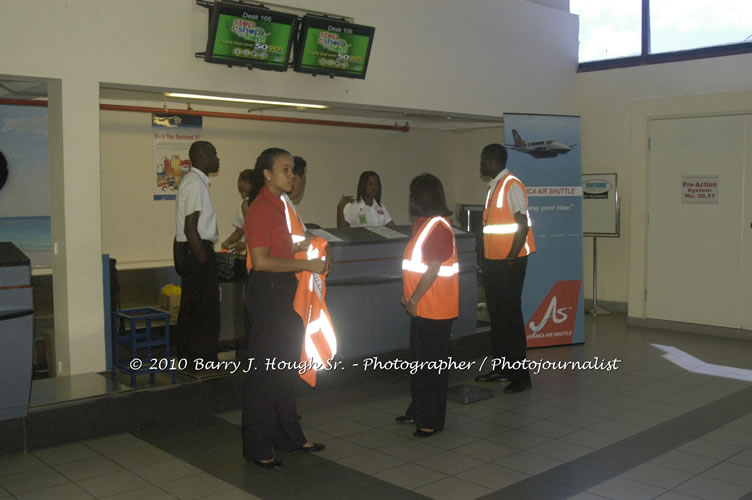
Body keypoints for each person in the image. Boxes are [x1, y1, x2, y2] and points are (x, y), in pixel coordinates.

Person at [241, 147, 329, 469]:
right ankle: (258, 447)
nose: (291, 175)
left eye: (292, 170)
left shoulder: (280, 206)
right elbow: (262, 261)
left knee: (282, 371)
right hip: (269, 293)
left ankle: (289, 436)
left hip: (284, 292)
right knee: (265, 375)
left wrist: (310, 247)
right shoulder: (261, 208)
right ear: (266, 173)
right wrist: (306, 263)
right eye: (285, 169)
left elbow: (282, 245)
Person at [397, 173, 459, 437]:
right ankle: (418, 410)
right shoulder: (426, 225)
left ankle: (431, 419)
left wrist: (413, 299)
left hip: (434, 308)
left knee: (431, 367)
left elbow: (433, 270)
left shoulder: (438, 228)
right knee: (420, 364)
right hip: (423, 307)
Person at [474, 143, 536, 393]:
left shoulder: (512, 185)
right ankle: (501, 368)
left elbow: (522, 223)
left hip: (510, 263)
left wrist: (511, 256)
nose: (480, 165)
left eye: (482, 161)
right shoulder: (494, 187)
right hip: (494, 263)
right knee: (497, 316)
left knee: (509, 317)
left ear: (491, 161)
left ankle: (521, 377)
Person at [174, 141, 221, 364]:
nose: (218, 159)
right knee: (203, 312)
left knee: (197, 310)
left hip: (195, 250)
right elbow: (190, 227)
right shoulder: (194, 183)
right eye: (214, 154)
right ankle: (200, 360)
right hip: (197, 251)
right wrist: (204, 260)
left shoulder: (196, 182)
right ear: (202, 156)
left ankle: (194, 358)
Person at [220, 169, 253, 254]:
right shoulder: (242, 205)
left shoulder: (263, 206)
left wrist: (245, 245)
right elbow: (239, 231)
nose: (243, 195)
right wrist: (227, 242)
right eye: (240, 191)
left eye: (246, 191)